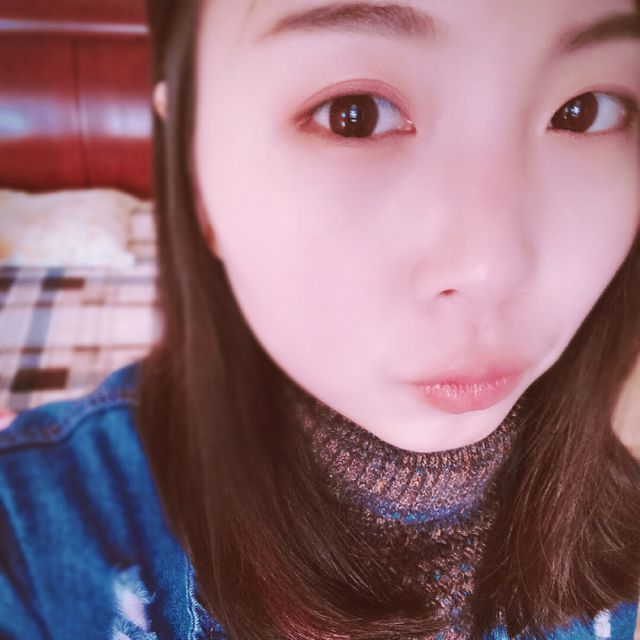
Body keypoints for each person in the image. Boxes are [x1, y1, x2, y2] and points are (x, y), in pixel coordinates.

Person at [1, 0, 640, 638]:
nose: (493, 271)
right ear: (194, 166)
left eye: (585, 111)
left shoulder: (621, 495)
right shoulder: (35, 543)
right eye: (353, 115)